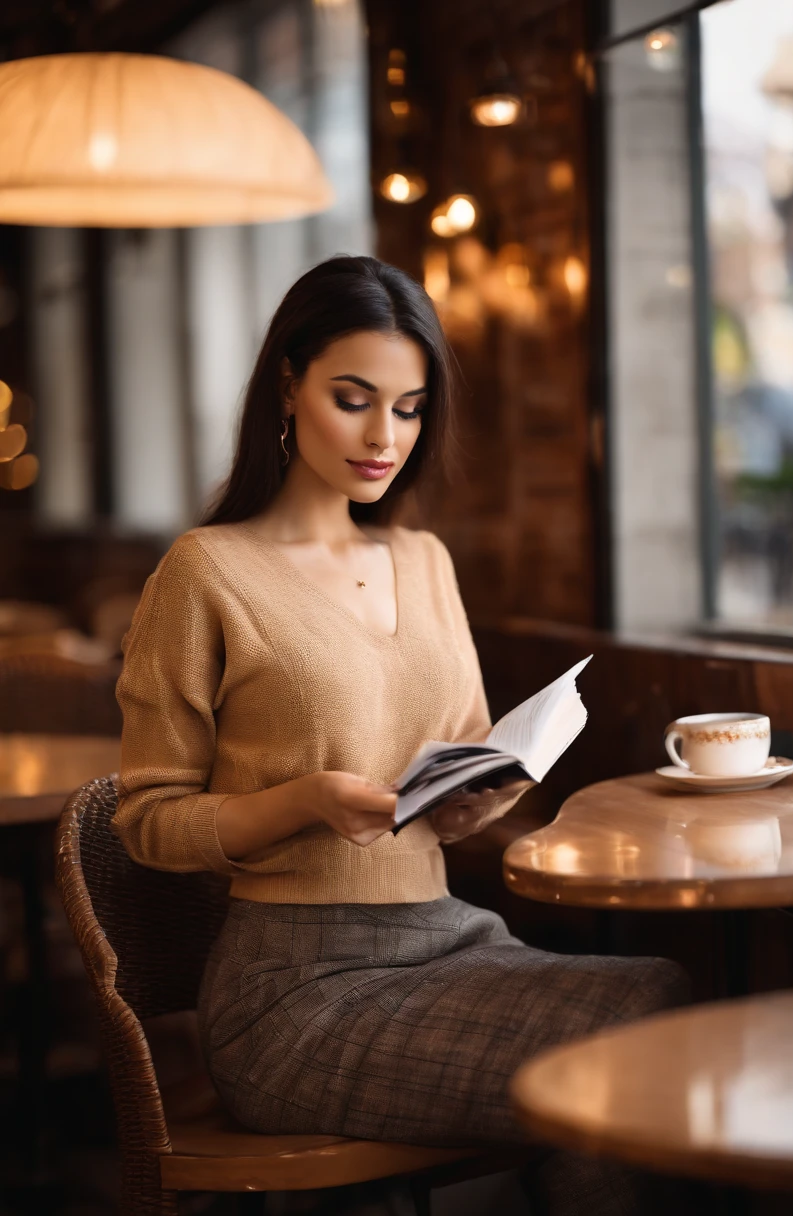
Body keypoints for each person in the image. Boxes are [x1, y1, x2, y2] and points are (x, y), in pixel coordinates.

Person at [113, 255, 687, 1215]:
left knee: (667, 988)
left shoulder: (423, 559)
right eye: (355, 398)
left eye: (411, 408)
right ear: (287, 386)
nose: (386, 436)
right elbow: (147, 822)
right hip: (294, 990)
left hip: (448, 938)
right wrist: (303, 801)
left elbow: (463, 751)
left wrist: (479, 796)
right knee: (619, 1043)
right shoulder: (206, 570)